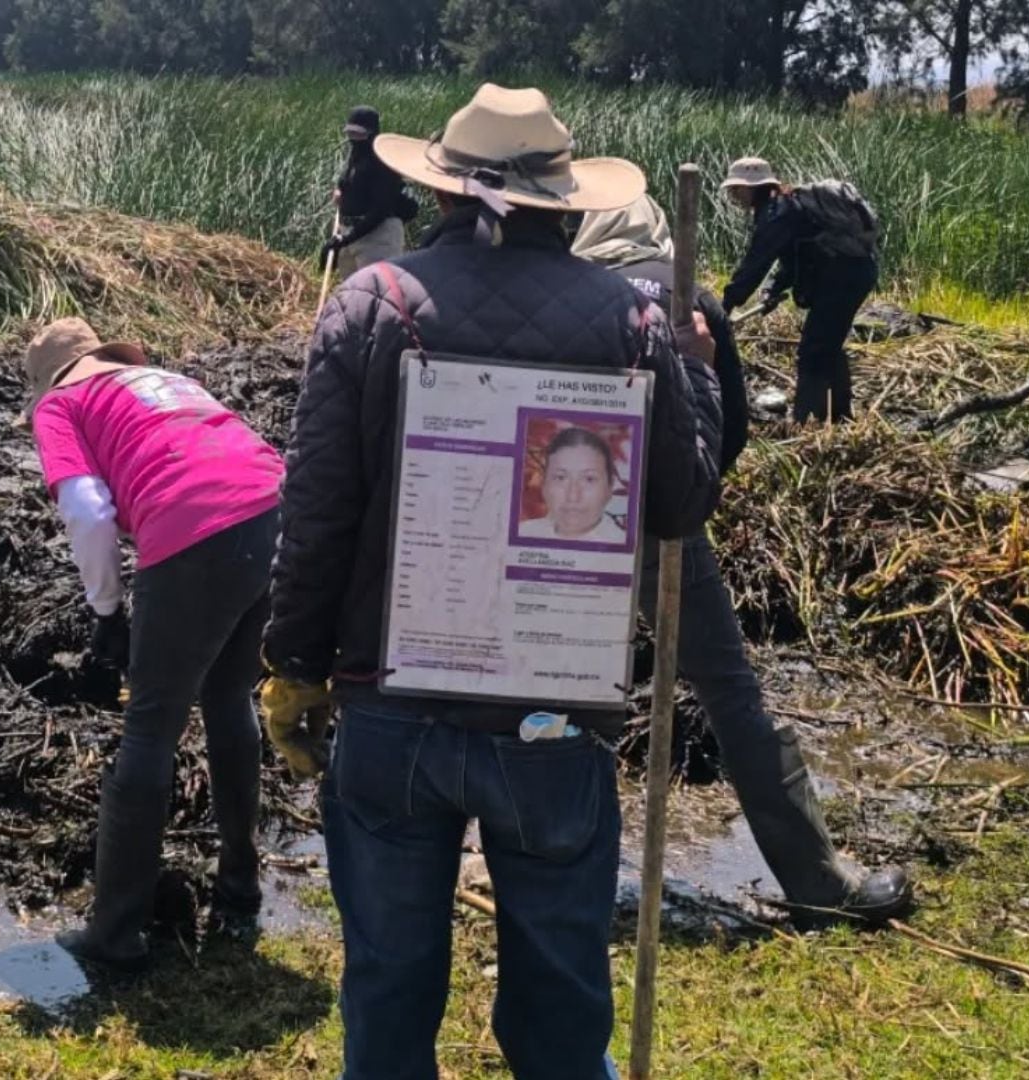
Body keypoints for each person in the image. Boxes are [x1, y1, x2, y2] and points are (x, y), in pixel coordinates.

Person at [259, 85, 723, 1080]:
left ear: (443, 193)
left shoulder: (372, 304)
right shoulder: (634, 322)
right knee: (560, 1007)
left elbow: (317, 513)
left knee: (388, 991)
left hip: (391, 707)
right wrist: (699, 373)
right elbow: (681, 505)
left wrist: (294, 664)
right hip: (552, 717)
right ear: (563, 204)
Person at [574, 194, 915, 931]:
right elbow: (728, 435)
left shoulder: (569, 294)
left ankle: (549, 871)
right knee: (729, 691)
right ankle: (818, 883)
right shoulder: (688, 298)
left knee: (569, 690)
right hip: (667, 527)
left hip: (565, 525)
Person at [20, 317, 285, 971]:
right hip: (274, 510)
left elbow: (87, 509)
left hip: (195, 526)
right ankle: (239, 892)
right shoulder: (164, 381)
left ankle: (114, 936)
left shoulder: (61, 406)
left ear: (49, 380)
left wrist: (107, 611)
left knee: (149, 727)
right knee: (229, 695)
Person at [720, 156, 880, 424]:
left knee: (814, 350)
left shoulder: (778, 214)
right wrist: (772, 290)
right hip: (853, 273)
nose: (734, 196)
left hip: (843, 277)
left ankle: (806, 421)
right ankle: (839, 416)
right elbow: (794, 259)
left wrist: (725, 304)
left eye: (737, 189)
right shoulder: (786, 207)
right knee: (827, 344)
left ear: (752, 187)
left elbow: (755, 264)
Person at [323, 106, 418, 276]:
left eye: (359, 134)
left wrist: (346, 239)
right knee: (352, 289)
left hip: (378, 237)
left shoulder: (383, 163)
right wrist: (340, 193)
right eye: (350, 133)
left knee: (376, 288)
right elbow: (347, 183)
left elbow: (380, 210)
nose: (354, 139)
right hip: (350, 234)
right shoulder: (355, 155)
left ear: (372, 133)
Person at [517, 426, 629, 544]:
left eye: (589, 479)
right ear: (544, 484)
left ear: (610, 488)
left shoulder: (622, 544)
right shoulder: (523, 533)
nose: (573, 496)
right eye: (560, 478)